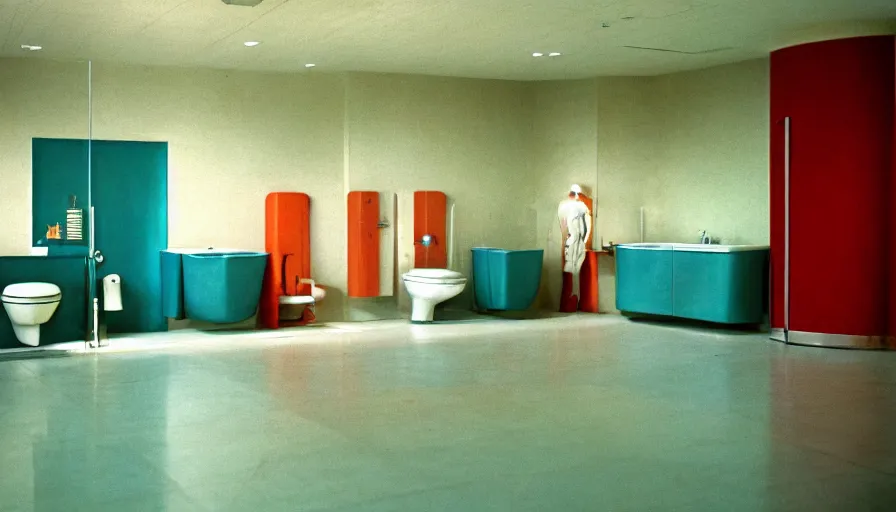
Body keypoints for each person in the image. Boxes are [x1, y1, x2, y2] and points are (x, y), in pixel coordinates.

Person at [558, 184, 592, 298]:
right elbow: (564, 226)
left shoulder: (575, 206)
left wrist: (585, 240)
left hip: (576, 242)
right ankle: (570, 296)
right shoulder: (572, 206)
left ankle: (573, 296)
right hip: (572, 241)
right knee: (571, 267)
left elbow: (586, 226)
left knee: (574, 268)